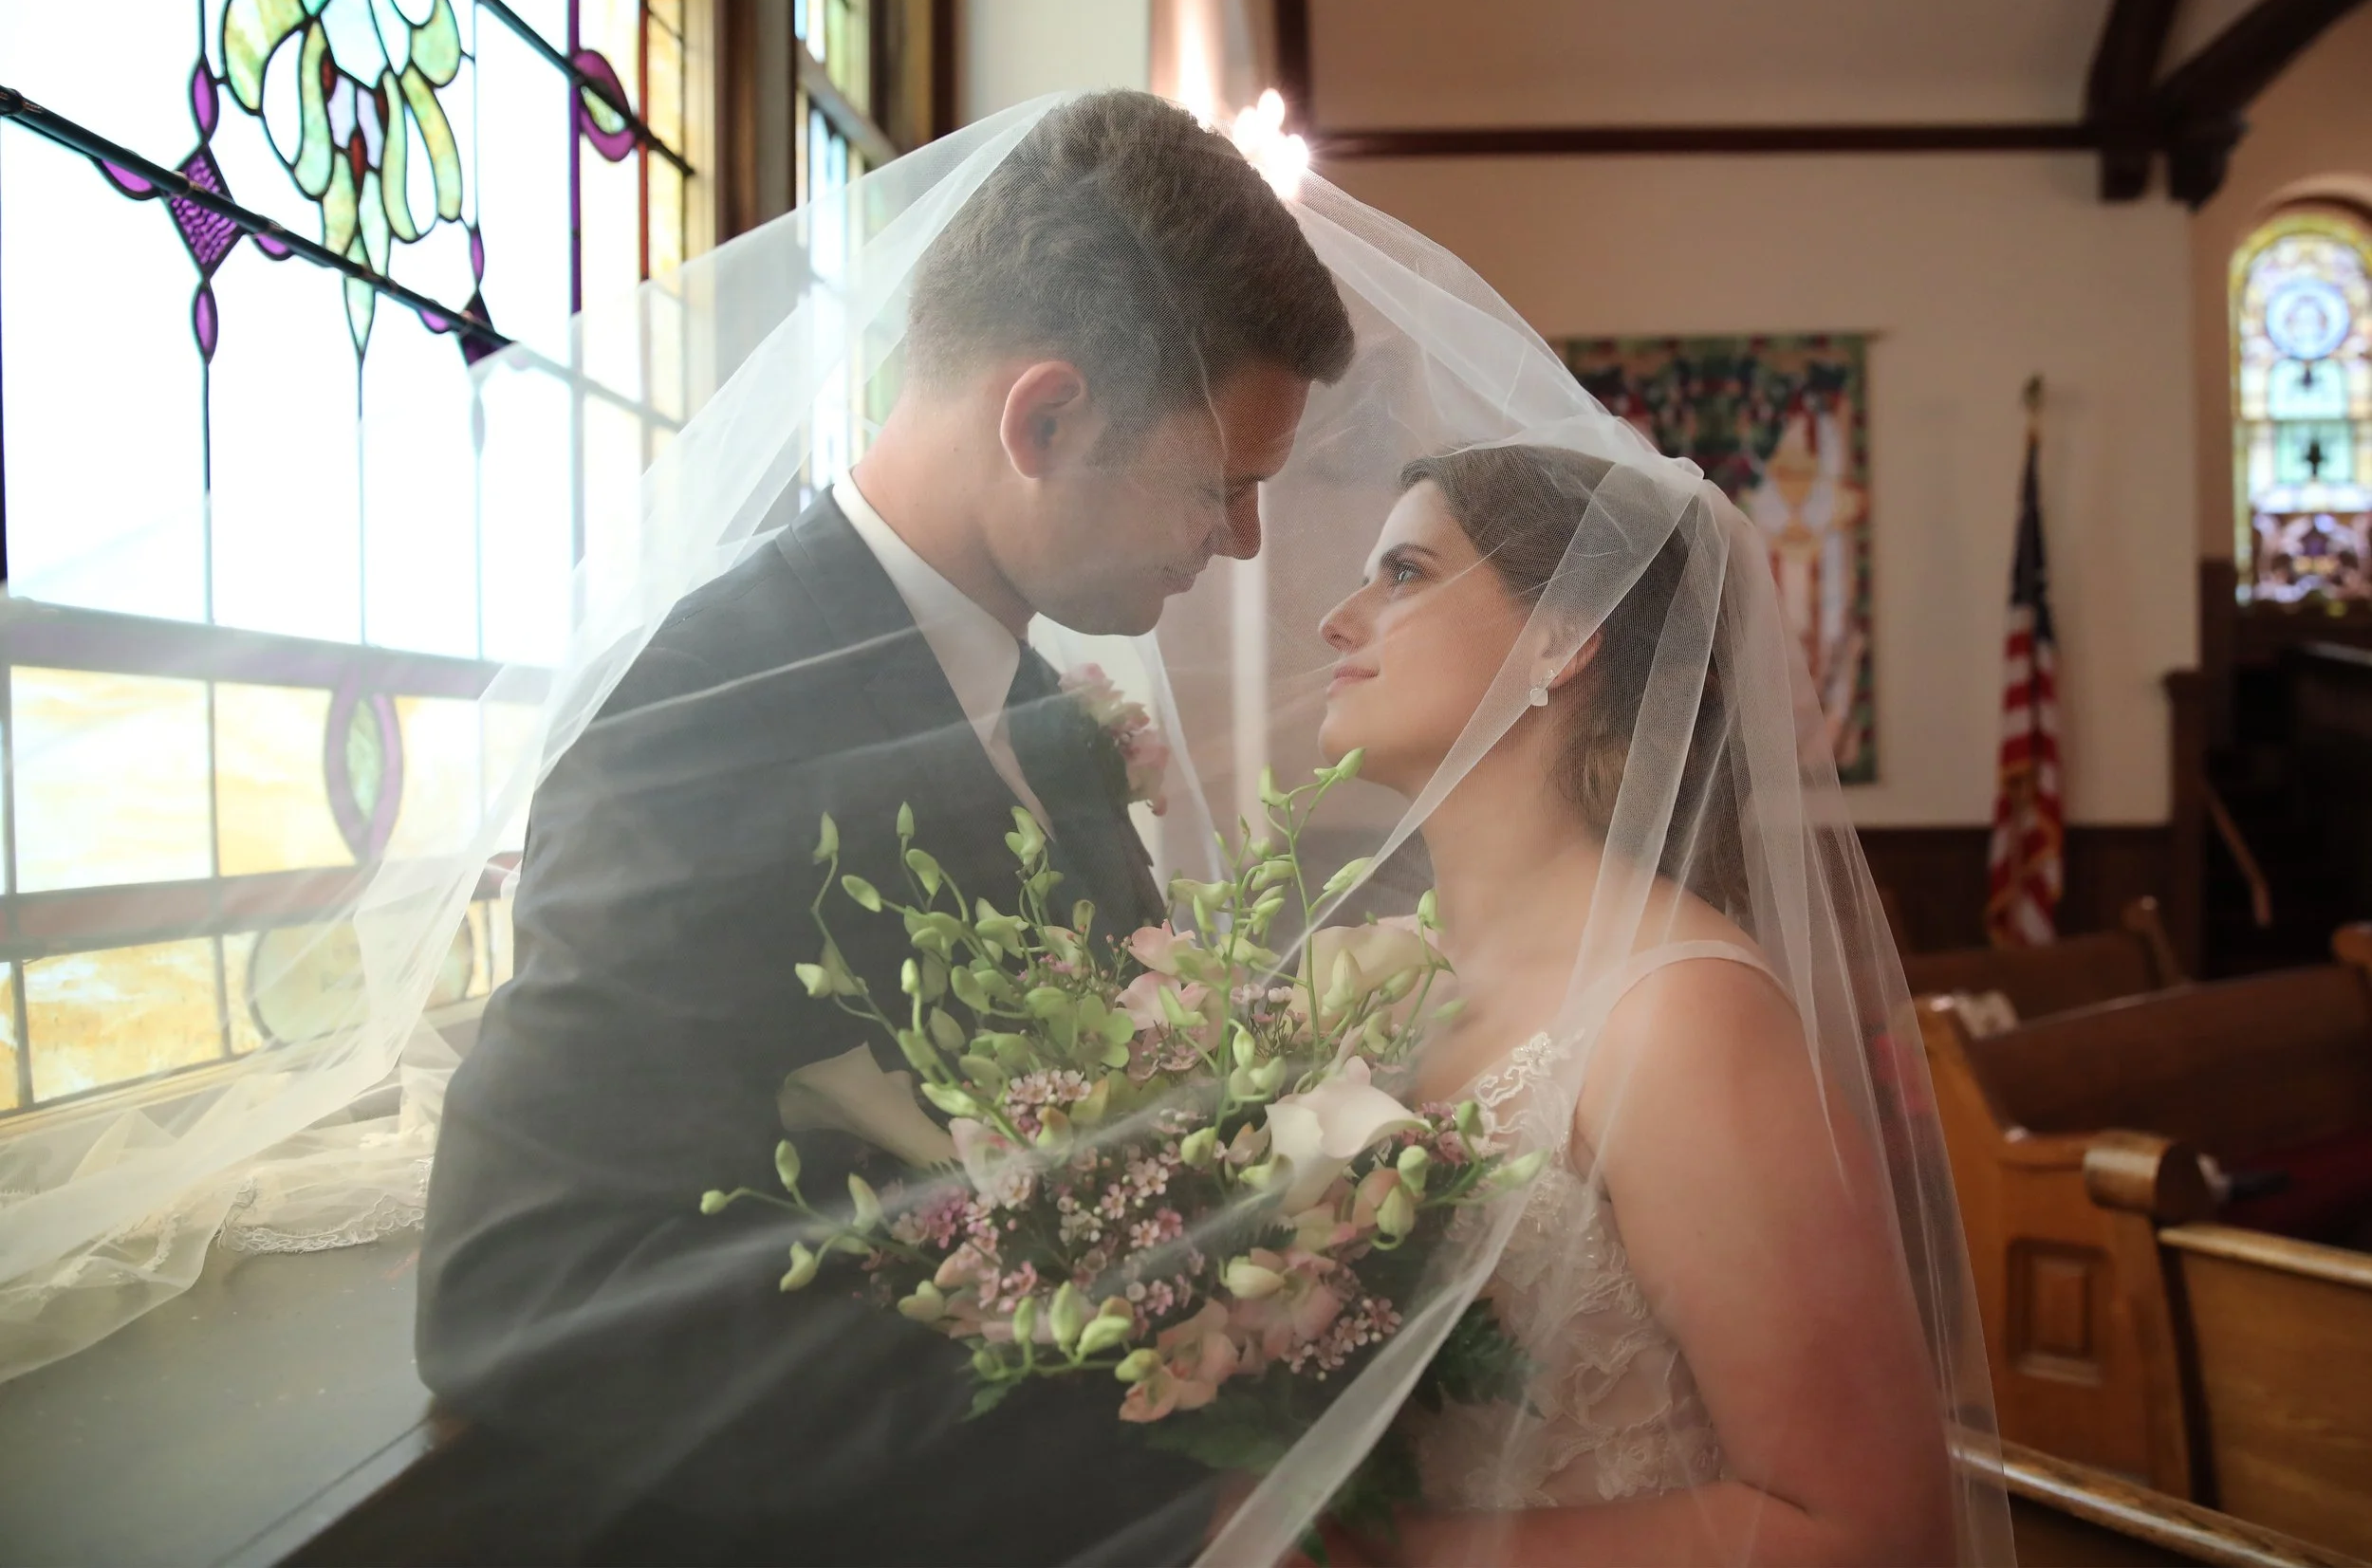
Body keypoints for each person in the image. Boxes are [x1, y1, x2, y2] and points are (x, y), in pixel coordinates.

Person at [417, 89, 1354, 1565]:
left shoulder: (1055, 712)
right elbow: (531, 1288)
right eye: (1221, 484)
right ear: (1042, 417)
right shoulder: (705, 706)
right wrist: (1146, 1475)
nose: (1237, 540)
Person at [1311, 446, 1955, 1563]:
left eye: (1404, 573)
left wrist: (1374, 1553)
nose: (1337, 619)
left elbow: (1869, 1530)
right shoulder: (1368, 985)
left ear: (1563, 637)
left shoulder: (1677, 1018)